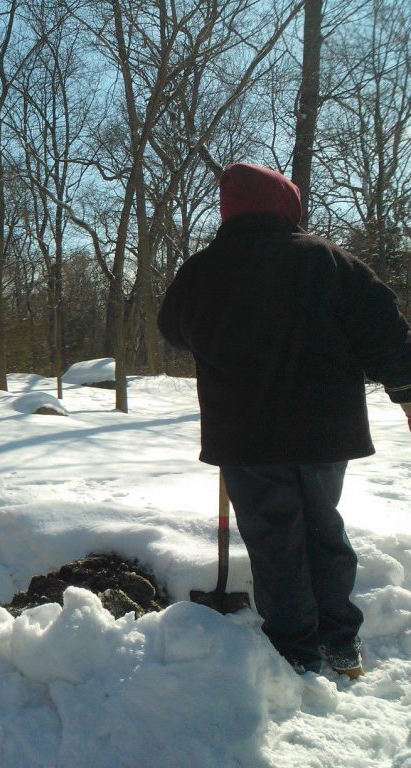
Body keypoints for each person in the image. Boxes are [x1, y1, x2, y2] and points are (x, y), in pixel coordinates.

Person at [158, 162, 411, 677]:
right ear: (286, 205)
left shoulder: (201, 271)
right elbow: (385, 330)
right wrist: (405, 392)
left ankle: (295, 650)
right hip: (325, 430)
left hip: (246, 435)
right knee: (323, 530)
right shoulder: (328, 261)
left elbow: (175, 331)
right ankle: (340, 643)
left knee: (275, 540)